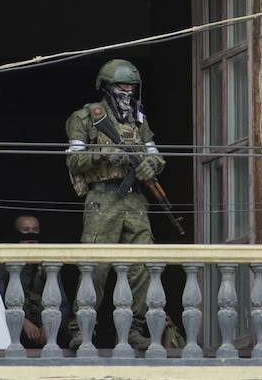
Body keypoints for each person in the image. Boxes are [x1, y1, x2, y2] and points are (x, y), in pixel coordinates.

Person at [65, 58, 165, 348]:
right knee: (94, 267)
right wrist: (104, 154)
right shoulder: (85, 117)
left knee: (142, 265)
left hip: (134, 200)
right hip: (102, 198)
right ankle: (81, 331)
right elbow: (73, 160)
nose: (128, 91)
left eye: (131, 86)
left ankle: (134, 329)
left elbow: (155, 154)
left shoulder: (139, 119)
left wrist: (151, 166)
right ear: (107, 87)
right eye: (122, 86)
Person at [0, 214, 69, 348]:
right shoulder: (1, 265)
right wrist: (23, 323)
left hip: (46, 335)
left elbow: (63, 305)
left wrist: (49, 326)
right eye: (26, 231)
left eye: (35, 230)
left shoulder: (48, 265)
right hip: (13, 334)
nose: (31, 237)